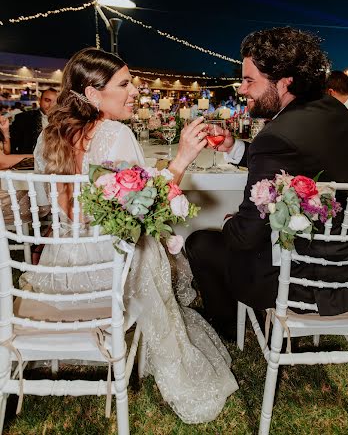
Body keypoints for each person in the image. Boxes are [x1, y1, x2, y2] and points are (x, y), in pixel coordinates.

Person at [22, 47, 237, 424]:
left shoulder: (47, 138)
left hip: (63, 268)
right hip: (112, 270)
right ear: (92, 94)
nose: (135, 90)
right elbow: (149, 210)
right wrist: (182, 157)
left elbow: (49, 207)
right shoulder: (115, 134)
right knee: (153, 247)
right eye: (124, 84)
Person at [186, 27, 348, 340]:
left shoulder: (276, 136)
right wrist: (235, 148)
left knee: (201, 242)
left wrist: (230, 222)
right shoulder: (333, 110)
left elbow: (245, 236)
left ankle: (228, 325)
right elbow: (298, 160)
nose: (242, 89)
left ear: (284, 81)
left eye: (249, 80)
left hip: (308, 278)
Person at [10, 88, 58, 153]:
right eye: (47, 100)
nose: (51, 105)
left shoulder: (63, 121)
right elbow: (12, 146)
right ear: (39, 100)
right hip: (29, 161)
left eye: (56, 102)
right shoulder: (24, 118)